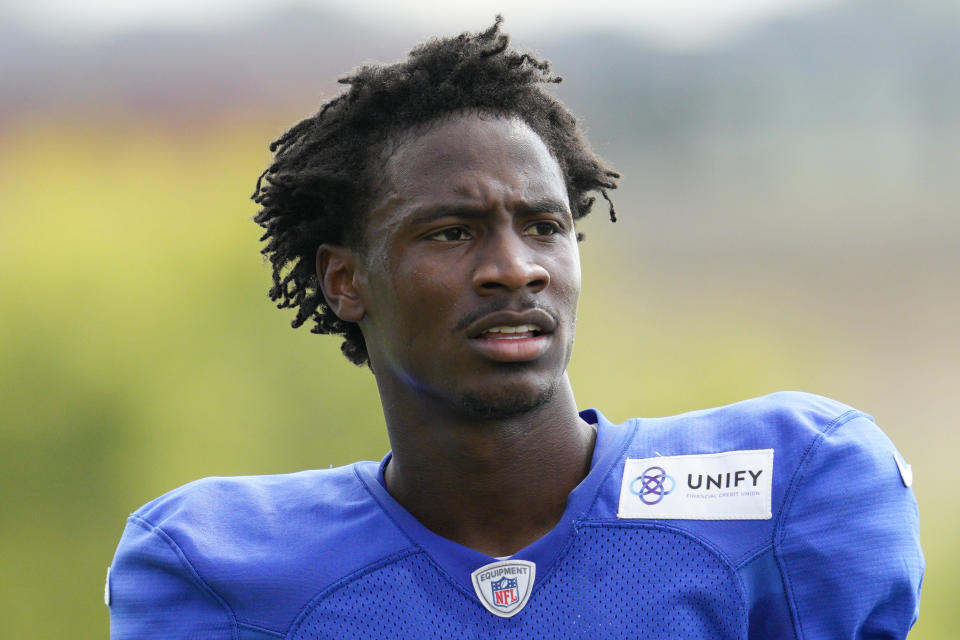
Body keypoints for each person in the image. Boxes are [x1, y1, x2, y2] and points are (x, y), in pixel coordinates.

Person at [107, 18, 923, 639]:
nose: (514, 267)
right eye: (451, 232)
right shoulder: (220, 567)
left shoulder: (792, 482)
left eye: (543, 225)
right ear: (346, 280)